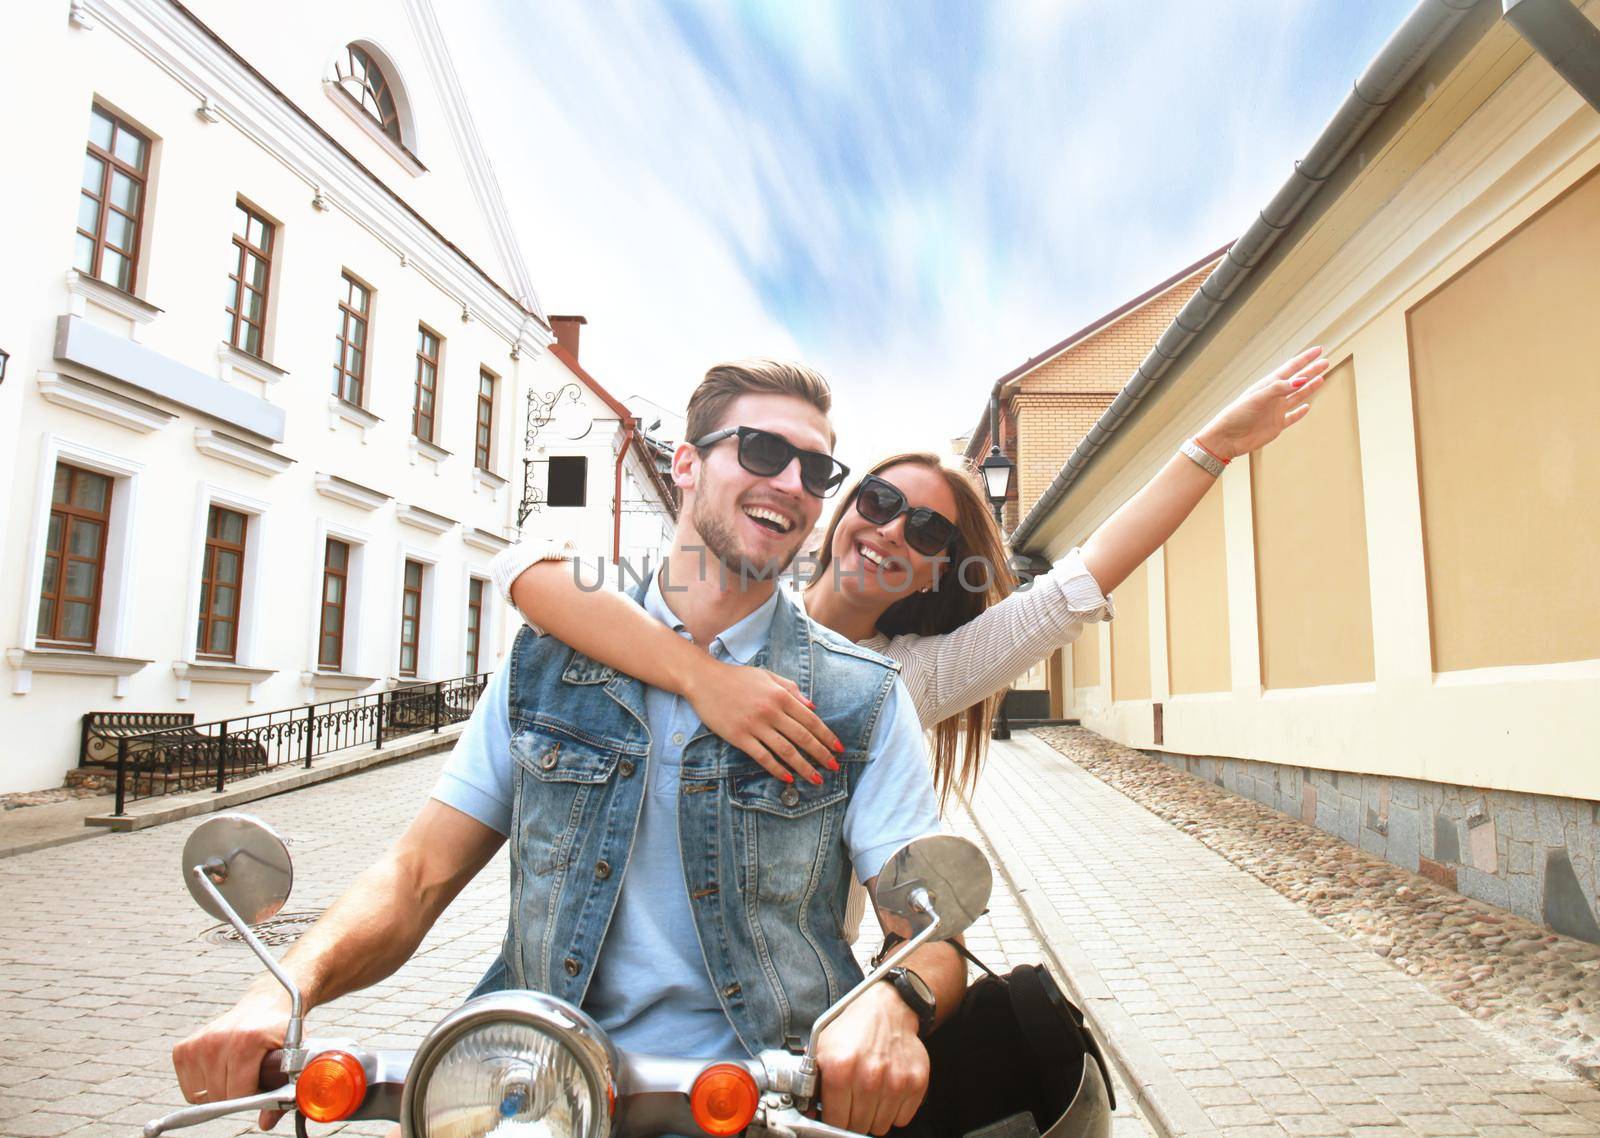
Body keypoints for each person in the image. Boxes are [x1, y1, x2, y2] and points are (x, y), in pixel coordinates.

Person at [171, 361, 967, 1138]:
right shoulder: (545, 665)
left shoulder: (859, 697)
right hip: (529, 1089)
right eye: (762, 451)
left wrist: (894, 1003)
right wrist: (282, 990)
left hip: (772, 1101)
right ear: (685, 464)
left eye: (817, 469)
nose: (792, 483)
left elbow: (931, 935)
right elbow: (415, 875)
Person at [493, 346, 1330, 802]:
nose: (892, 529)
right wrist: (706, 679)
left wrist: (1209, 449)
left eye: (927, 528)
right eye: (882, 499)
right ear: (842, 503)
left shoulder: (908, 679)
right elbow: (533, 569)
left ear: (937, 571)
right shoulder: (737, 591)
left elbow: (1079, 581)